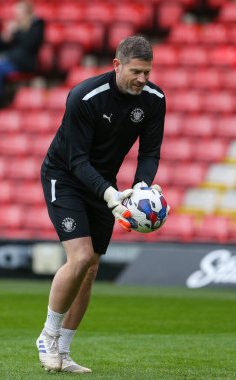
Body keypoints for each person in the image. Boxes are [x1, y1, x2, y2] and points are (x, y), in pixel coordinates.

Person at [37, 35, 168, 373]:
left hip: (103, 185)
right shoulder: (84, 96)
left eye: (147, 72)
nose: (142, 79)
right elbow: (77, 160)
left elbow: (150, 152)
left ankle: (63, 353)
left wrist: (141, 186)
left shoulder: (154, 100)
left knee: (91, 267)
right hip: (64, 177)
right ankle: (47, 337)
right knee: (79, 257)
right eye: (136, 71)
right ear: (116, 65)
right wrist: (110, 195)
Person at [0, 1, 44, 104]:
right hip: (11, 59)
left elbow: (30, 45)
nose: (17, 17)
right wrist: (4, 38)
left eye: (19, 14)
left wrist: (16, 32)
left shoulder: (37, 24)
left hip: (25, 63)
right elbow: (6, 47)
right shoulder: (16, 26)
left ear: (27, 13)